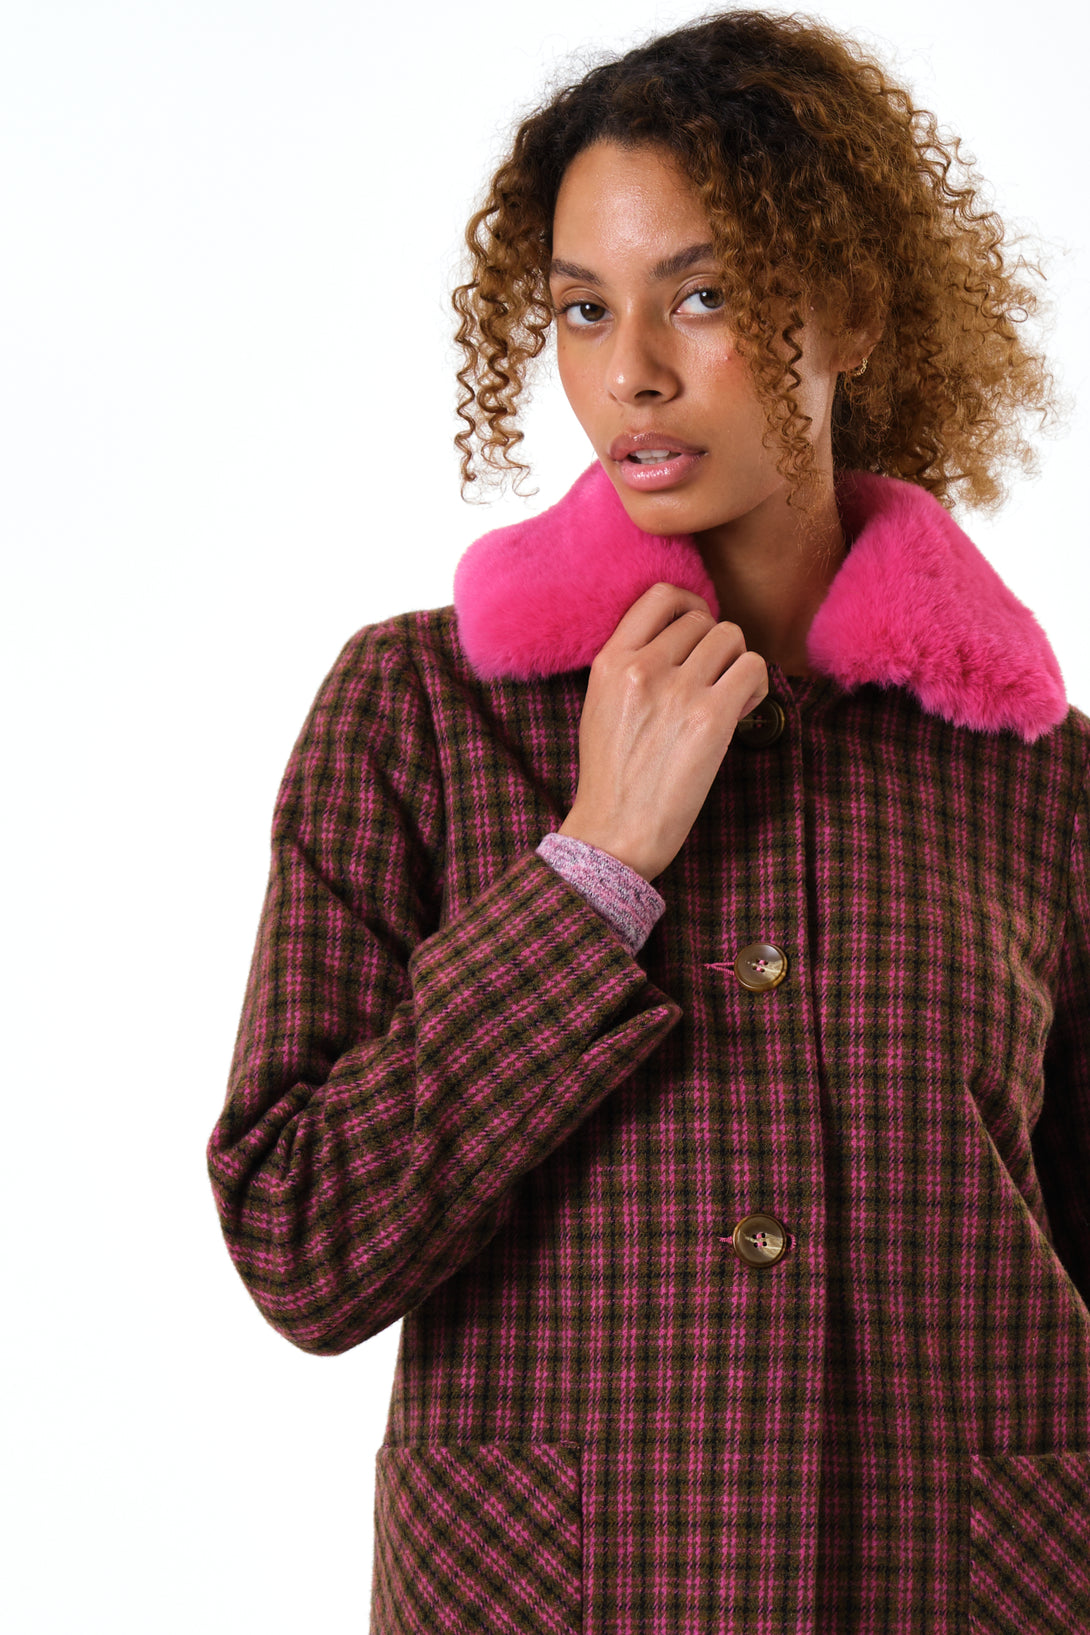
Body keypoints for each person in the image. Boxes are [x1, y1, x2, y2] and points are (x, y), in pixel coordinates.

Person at [207, 10, 1090, 1631]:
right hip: (553, 1595)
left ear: (848, 309)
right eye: (581, 308)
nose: (631, 373)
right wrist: (592, 867)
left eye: (703, 294)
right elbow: (302, 1242)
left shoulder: (1034, 771)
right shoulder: (418, 712)